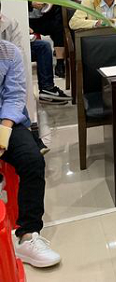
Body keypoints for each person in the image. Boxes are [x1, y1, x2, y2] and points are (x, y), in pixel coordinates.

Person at [0, 40, 62, 267]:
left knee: (32, 160)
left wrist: (3, 134)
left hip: (6, 121)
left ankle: (27, 234)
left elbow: (14, 97)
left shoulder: (9, 52)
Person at [0, 4, 69, 104]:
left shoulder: (9, 23)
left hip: (11, 65)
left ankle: (47, 88)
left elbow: (18, 53)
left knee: (43, 46)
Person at [25, 0, 68, 78]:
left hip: (46, 17)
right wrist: (31, 3)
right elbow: (15, 0)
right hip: (27, 19)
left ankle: (60, 63)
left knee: (60, 27)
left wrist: (51, 2)